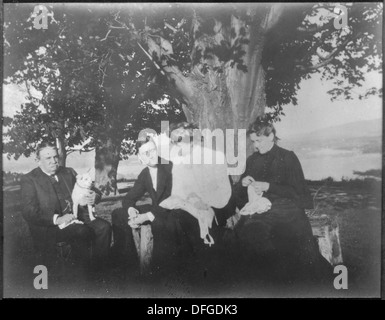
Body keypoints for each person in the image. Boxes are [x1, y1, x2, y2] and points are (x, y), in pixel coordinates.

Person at [234, 117, 332, 284]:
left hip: (288, 211)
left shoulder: (287, 158)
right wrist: (243, 185)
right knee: (246, 231)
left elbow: (299, 193)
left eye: (259, 140)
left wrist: (268, 186)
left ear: (271, 135)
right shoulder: (252, 161)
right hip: (261, 210)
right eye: (253, 142)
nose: (256, 145)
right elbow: (241, 199)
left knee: (262, 232)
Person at [21, 142, 112, 274]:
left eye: (55, 157)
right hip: (51, 228)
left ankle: (99, 270)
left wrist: (95, 196)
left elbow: (92, 189)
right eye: (48, 158)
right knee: (81, 231)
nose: (53, 161)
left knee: (104, 227)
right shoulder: (29, 179)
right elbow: (28, 211)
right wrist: (57, 219)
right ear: (38, 160)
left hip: (78, 218)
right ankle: (81, 275)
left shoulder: (68, 172)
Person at [111, 136, 182, 275]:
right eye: (146, 153)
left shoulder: (170, 167)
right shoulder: (145, 174)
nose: (151, 155)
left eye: (153, 150)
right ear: (140, 158)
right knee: (118, 214)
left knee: (158, 222)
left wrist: (146, 216)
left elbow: (171, 199)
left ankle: (155, 269)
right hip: (157, 208)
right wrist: (132, 211)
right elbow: (129, 198)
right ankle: (128, 261)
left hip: (173, 210)